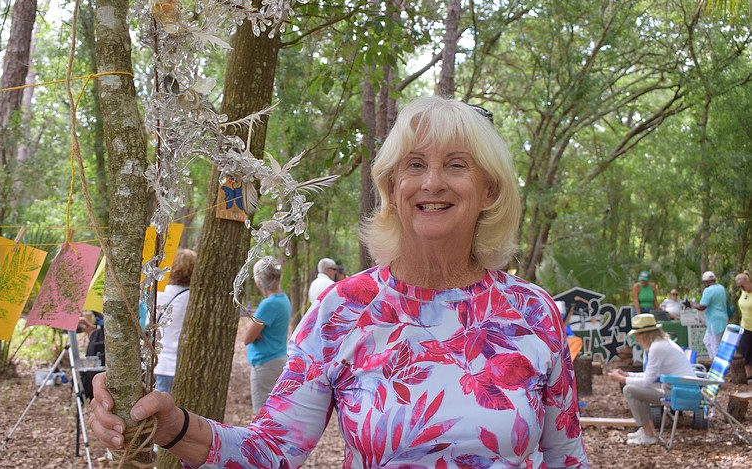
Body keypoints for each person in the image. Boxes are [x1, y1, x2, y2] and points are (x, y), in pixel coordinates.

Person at [88, 96, 589, 467]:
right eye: (415, 165)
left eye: (456, 165)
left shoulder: (531, 312)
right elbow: (270, 450)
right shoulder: (344, 310)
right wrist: (175, 427)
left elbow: (567, 458)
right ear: (392, 187)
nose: (432, 182)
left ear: (489, 190)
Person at [608, 314, 695, 446]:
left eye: (637, 334)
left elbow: (647, 381)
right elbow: (649, 375)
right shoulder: (662, 343)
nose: (636, 338)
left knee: (629, 390)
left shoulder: (657, 348)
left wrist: (622, 379)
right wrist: (627, 374)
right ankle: (646, 430)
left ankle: (648, 434)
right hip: (680, 388)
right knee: (634, 389)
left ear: (644, 334)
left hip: (679, 393)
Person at [243, 256, 291, 413]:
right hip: (277, 358)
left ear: (259, 281)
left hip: (265, 364)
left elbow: (247, 338)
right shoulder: (283, 299)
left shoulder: (268, 304)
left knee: (262, 415)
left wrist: (255, 330)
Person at [154, 248, 196, 394]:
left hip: (161, 362)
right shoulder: (194, 298)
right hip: (185, 362)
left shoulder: (158, 293)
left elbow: (148, 324)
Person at [690, 270, 729, 360]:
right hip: (723, 318)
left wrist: (692, 304)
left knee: (715, 344)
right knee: (707, 341)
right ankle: (712, 360)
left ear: (707, 282)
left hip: (714, 320)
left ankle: (717, 367)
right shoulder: (721, 288)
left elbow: (702, 307)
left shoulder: (708, 290)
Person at [735, 271, 752, 383]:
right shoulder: (743, 292)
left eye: (743, 285)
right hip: (745, 326)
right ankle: (748, 376)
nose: (742, 288)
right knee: (745, 351)